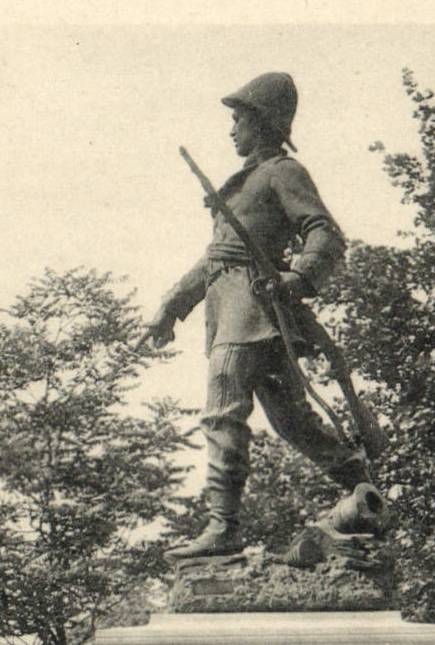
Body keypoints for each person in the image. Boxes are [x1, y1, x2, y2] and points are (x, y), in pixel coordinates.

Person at [145, 72, 371, 559]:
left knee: (223, 412)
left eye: (238, 119)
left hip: (251, 312)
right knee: (293, 421)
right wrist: (172, 305)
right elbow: (217, 257)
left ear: (262, 124)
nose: (231, 130)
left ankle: (223, 526)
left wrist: (299, 278)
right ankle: (362, 484)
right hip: (235, 312)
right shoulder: (247, 182)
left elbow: (324, 234)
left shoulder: (282, 172)